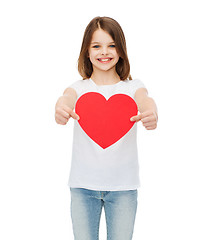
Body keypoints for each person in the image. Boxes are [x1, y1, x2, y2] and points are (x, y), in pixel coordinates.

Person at [55, 16, 158, 240]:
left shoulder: (133, 87)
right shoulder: (78, 89)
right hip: (83, 188)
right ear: (87, 51)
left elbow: (146, 100)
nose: (105, 52)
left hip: (123, 189)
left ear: (121, 50)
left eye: (112, 45)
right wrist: (61, 108)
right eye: (97, 46)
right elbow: (66, 98)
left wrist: (151, 112)